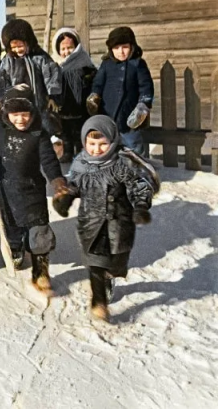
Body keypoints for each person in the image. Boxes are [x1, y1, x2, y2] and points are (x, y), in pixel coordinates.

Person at [53, 115, 159, 321]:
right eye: (92, 144)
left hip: (118, 222)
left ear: (113, 142)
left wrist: (140, 207)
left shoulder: (122, 163)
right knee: (95, 264)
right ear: (85, 142)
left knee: (116, 263)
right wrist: (65, 199)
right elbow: (74, 185)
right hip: (91, 223)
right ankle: (98, 302)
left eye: (103, 144)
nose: (97, 149)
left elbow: (140, 185)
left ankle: (110, 276)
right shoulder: (81, 163)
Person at [0, 89, 66, 294]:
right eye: (15, 114)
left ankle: (41, 268)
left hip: (31, 190)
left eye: (25, 114)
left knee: (39, 230)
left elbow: (48, 159)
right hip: (4, 190)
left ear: (33, 112)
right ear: (6, 113)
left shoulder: (38, 134)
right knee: (11, 227)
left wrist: (56, 179)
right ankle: (15, 248)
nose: (20, 119)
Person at [87, 27, 154, 157]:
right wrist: (94, 96)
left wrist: (143, 105)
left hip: (131, 116)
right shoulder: (107, 64)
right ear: (111, 49)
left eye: (125, 47)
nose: (121, 52)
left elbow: (146, 87)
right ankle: (112, 169)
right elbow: (98, 83)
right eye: (116, 48)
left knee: (132, 144)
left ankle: (138, 170)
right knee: (108, 144)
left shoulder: (138, 64)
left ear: (132, 46)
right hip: (107, 112)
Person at [0, 19, 62, 137]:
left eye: (20, 46)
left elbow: (51, 75)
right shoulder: (8, 61)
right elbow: (0, 79)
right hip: (18, 107)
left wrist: (53, 96)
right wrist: (1, 99)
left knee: (43, 130)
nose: (17, 50)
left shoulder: (39, 57)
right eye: (13, 47)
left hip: (39, 103)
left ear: (28, 42)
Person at [51, 28, 97, 162]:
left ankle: (80, 153)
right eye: (63, 49)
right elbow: (51, 85)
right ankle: (67, 152)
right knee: (65, 132)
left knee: (79, 131)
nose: (66, 52)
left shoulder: (84, 61)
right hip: (63, 105)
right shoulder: (55, 65)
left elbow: (92, 79)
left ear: (76, 47)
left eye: (70, 48)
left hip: (80, 105)